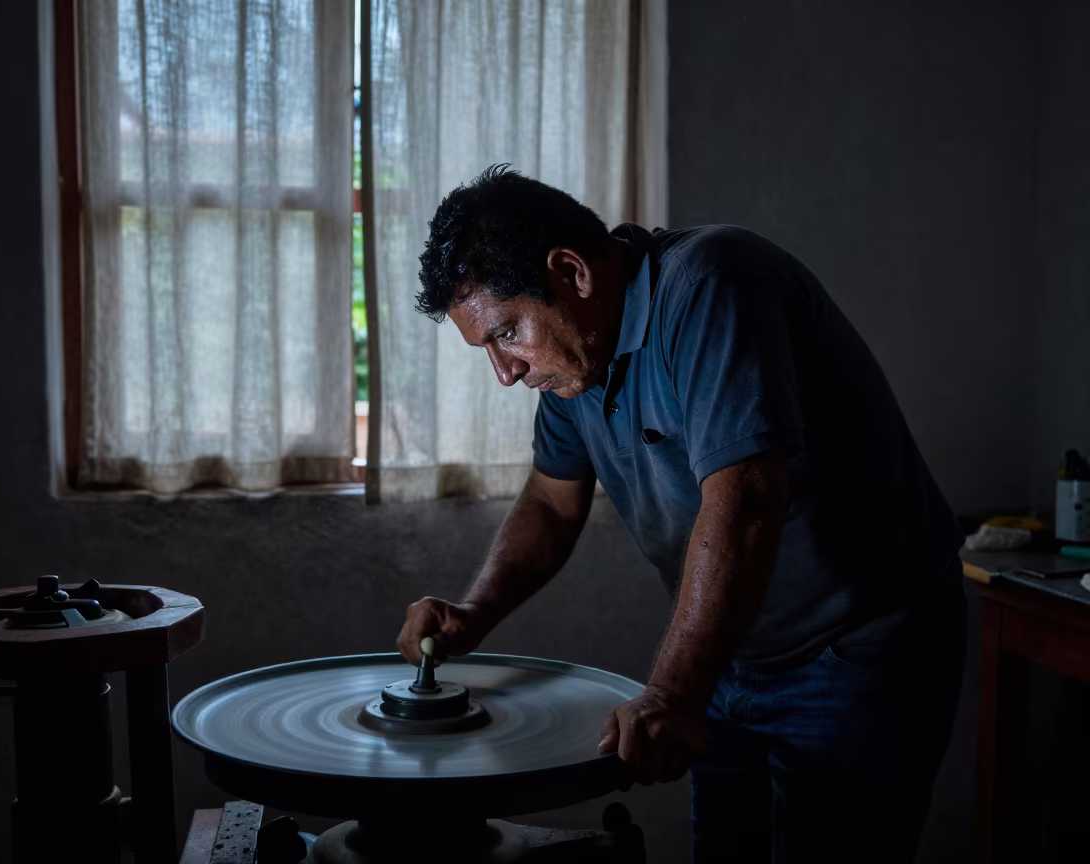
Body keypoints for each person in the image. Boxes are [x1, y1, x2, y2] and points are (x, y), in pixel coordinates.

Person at [395, 164, 966, 863]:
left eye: (507, 333)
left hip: (859, 646)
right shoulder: (575, 367)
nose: (505, 371)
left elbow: (748, 499)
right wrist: (473, 612)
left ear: (571, 272)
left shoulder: (713, 284)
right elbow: (551, 500)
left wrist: (669, 694)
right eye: (489, 347)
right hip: (734, 652)